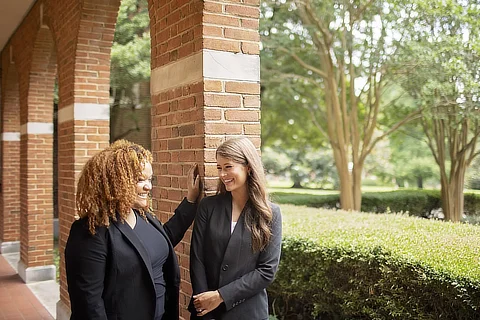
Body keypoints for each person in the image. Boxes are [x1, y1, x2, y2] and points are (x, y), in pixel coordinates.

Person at [65, 139, 200, 320]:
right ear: (115, 181)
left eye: (149, 179)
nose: (148, 186)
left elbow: (160, 241)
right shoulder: (90, 231)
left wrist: (190, 202)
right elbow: (88, 304)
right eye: (139, 180)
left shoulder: (143, 217)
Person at [189, 137, 282, 320]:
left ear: (248, 167)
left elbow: (267, 270)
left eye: (228, 166)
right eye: (219, 168)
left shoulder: (270, 214)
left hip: (248, 312)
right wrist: (203, 303)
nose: (222, 174)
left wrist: (221, 296)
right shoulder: (208, 206)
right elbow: (197, 257)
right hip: (207, 312)